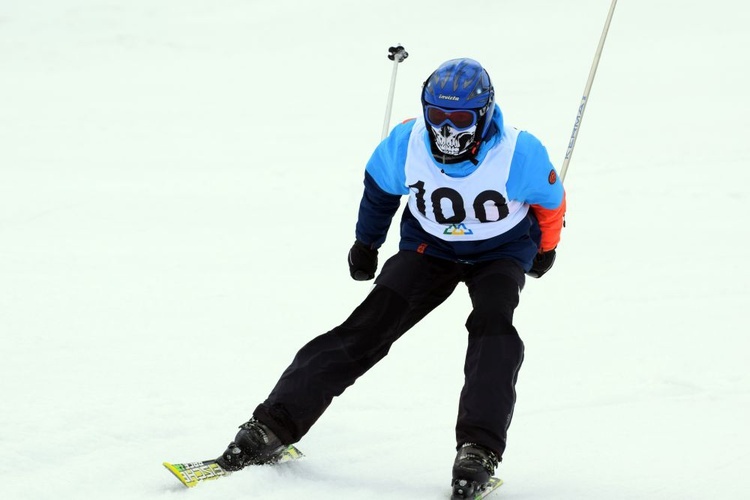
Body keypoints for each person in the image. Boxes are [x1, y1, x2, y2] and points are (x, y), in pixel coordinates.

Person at [215, 58, 566, 499]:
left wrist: (546, 249)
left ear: (483, 114)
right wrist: (367, 244)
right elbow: (379, 189)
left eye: (459, 118)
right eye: (436, 115)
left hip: (498, 252)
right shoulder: (407, 142)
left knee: (493, 328)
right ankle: (272, 425)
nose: (446, 128)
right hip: (429, 249)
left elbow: (550, 202)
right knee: (370, 324)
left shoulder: (520, 153)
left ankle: (478, 448)